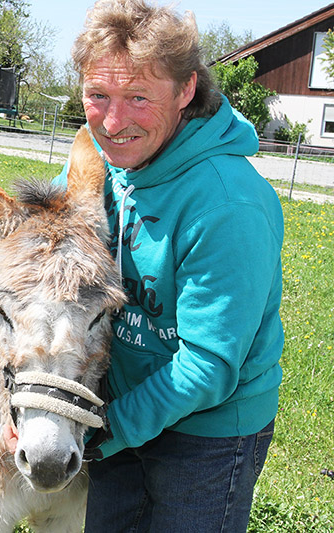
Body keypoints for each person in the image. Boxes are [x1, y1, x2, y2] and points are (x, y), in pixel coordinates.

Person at [53, 0, 285, 531]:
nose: (112, 123)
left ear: (185, 91)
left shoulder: (228, 204)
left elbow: (208, 366)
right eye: (97, 96)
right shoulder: (100, 166)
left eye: (138, 97)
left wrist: (104, 428)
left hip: (206, 435)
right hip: (115, 409)